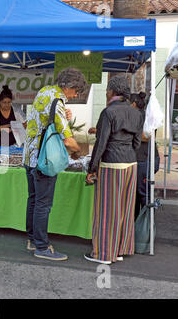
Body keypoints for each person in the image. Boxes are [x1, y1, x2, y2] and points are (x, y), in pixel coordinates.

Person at [23, 67, 84, 261]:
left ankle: (32, 240)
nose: (75, 96)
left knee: (33, 199)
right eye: (76, 91)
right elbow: (67, 139)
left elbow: (44, 120)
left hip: (30, 155)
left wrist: (63, 116)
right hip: (45, 159)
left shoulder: (44, 92)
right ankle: (42, 246)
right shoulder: (57, 102)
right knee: (43, 204)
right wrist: (78, 151)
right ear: (69, 87)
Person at [84, 75, 144, 265]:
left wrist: (91, 168)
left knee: (107, 210)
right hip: (130, 164)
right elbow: (136, 143)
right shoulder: (136, 113)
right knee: (125, 208)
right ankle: (119, 250)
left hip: (111, 164)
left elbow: (100, 144)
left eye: (108, 89)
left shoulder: (108, 112)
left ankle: (102, 253)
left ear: (112, 91)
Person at [129, 92, 160, 220]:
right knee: (135, 194)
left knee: (143, 194)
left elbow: (146, 137)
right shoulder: (138, 116)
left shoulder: (144, 117)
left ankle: (146, 225)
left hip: (144, 159)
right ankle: (136, 225)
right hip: (141, 159)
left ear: (134, 104)